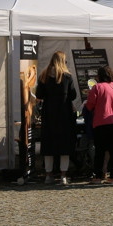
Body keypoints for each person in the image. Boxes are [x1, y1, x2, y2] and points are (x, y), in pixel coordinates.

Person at [35, 51, 78, 184]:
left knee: (49, 146)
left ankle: (49, 175)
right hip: (64, 115)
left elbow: (39, 95)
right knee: (64, 146)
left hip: (49, 115)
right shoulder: (67, 77)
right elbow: (73, 96)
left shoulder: (44, 76)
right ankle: (63, 176)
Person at [84, 65, 113, 184]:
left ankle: (97, 176)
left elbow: (90, 105)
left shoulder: (97, 87)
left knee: (100, 151)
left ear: (99, 76)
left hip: (102, 122)